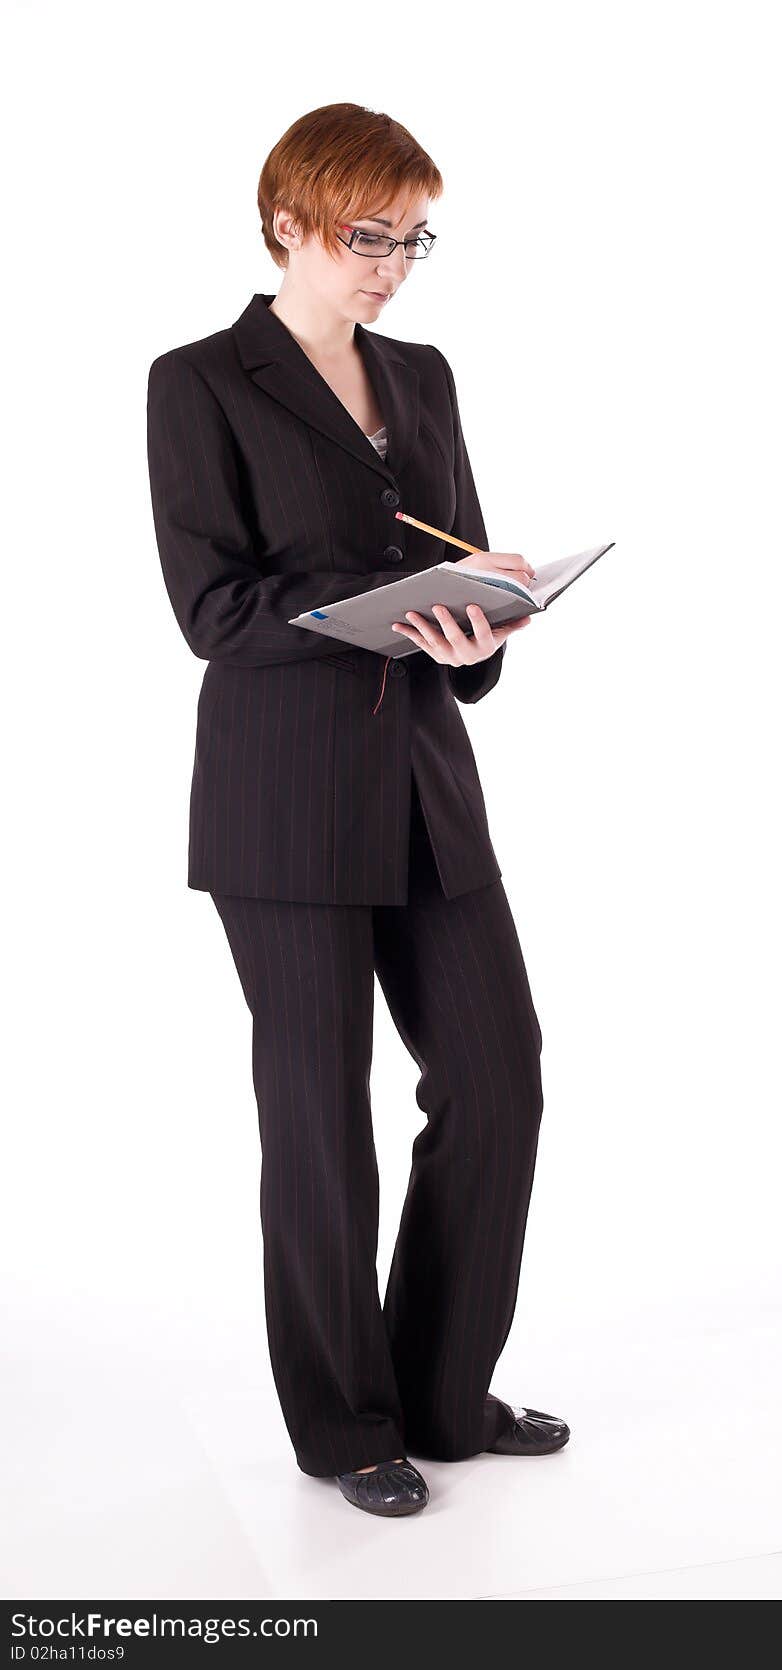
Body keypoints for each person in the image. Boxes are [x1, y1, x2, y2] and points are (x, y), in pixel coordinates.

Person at [146, 101, 570, 1519]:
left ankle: (445, 1393)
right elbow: (214, 611)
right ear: (288, 220)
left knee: (496, 1074)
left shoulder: (424, 374)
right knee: (320, 1112)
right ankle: (346, 1422)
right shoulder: (199, 380)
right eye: (365, 235)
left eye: (410, 238)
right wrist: (355, 613)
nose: (391, 265)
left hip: (426, 788)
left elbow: (453, 569)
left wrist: (479, 626)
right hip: (282, 794)